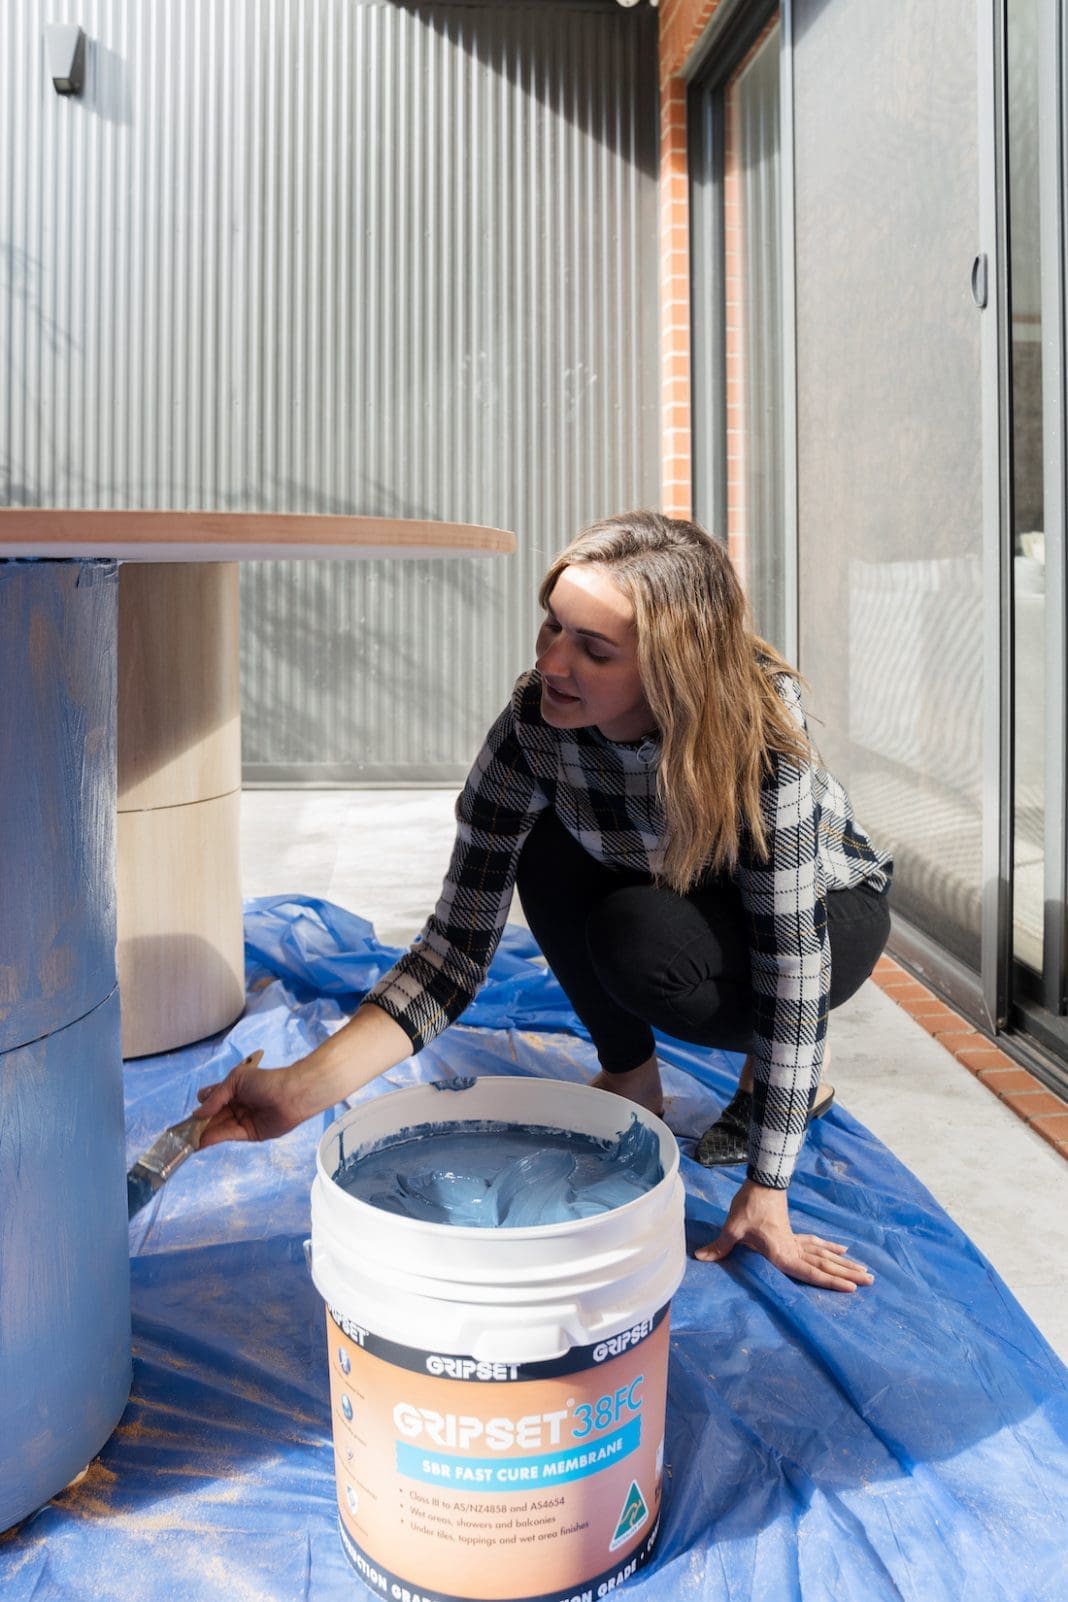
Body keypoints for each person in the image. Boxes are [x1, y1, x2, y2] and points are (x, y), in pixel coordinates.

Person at [195, 511, 892, 1293]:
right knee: (547, 849)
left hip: (821, 917)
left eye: (593, 650)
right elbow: (453, 952)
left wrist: (769, 1189)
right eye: (552, 626)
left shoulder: (761, 746)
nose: (553, 661)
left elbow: (791, 967)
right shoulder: (535, 726)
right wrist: (299, 1088)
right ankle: (630, 1075)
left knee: (644, 941)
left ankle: (770, 1079)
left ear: (671, 668)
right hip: (674, 882)